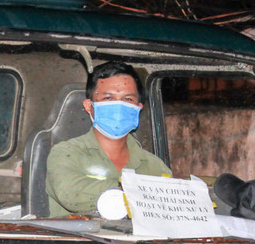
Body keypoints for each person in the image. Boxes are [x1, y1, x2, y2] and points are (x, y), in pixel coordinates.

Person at [45, 61, 171, 216]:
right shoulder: (65, 153)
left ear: (138, 108)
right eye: (108, 98)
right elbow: (69, 194)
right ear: (89, 106)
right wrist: (140, 193)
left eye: (128, 99)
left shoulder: (155, 167)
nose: (118, 106)